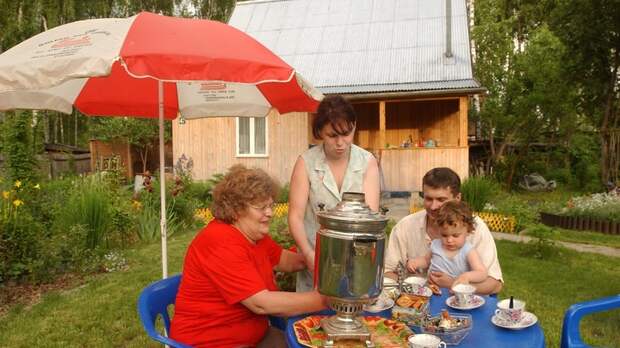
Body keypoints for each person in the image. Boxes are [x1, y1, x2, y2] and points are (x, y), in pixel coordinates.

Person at [170, 165, 326, 348]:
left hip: (252, 335)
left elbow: (286, 261)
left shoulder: (253, 235)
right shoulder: (220, 241)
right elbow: (261, 304)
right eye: (261, 207)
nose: (270, 213)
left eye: (270, 205)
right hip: (209, 341)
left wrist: (322, 259)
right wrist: (325, 299)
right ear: (236, 209)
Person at [288, 95, 380, 292]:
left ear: (354, 126)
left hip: (356, 264)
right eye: (332, 135)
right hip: (315, 260)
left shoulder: (367, 162)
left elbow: (369, 218)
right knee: (312, 320)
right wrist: (308, 253)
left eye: (346, 134)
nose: (340, 142)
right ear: (319, 132)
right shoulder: (306, 163)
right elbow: (295, 216)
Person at [384, 167, 503, 294]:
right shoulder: (405, 226)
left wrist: (453, 284)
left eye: (441, 200)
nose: (433, 207)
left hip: (461, 304)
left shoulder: (475, 227)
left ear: (457, 198)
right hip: (416, 301)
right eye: (428, 199)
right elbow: (389, 272)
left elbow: (495, 284)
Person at [406, 200, 488, 287]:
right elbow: (426, 260)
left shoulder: (468, 251)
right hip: (432, 289)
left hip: (453, 294)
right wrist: (415, 263)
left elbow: (482, 273)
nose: (449, 240)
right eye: (444, 235)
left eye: (455, 235)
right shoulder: (436, 245)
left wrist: (466, 277)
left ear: (468, 231)